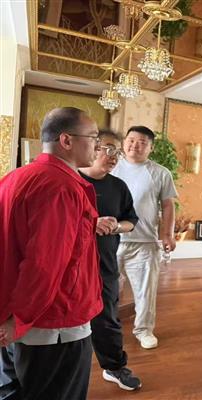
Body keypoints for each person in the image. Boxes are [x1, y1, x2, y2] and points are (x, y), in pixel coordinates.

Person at [0, 107, 103, 399]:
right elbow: (44, 265)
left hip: (18, 315)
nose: (97, 146)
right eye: (93, 138)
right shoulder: (60, 186)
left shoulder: (15, 177)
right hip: (54, 323)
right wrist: (21, 318)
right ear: (66, 140)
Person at [79, 129, 142, 391]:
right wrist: (91, 224)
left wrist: (116, 226)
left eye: (117, 151)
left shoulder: (118, 187)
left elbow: (131, 221)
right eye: (108, 148)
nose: (114, 156)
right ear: (92, 147)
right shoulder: (71, 181)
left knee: (108, 318)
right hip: (70, 266)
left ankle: (115, 367)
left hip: (104, 264)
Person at [112, 125, 178, 349]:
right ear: (124, 142)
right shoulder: (111, 167)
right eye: (131, 140)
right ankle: (102, 327)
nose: (135, 145)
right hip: (110, 241)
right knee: (105, 289)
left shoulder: (160, 173)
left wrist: (167, 234)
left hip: (144, 242)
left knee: (145, 291)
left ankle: (144, 330)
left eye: (142, 142)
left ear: (151, 147)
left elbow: (168, 205)